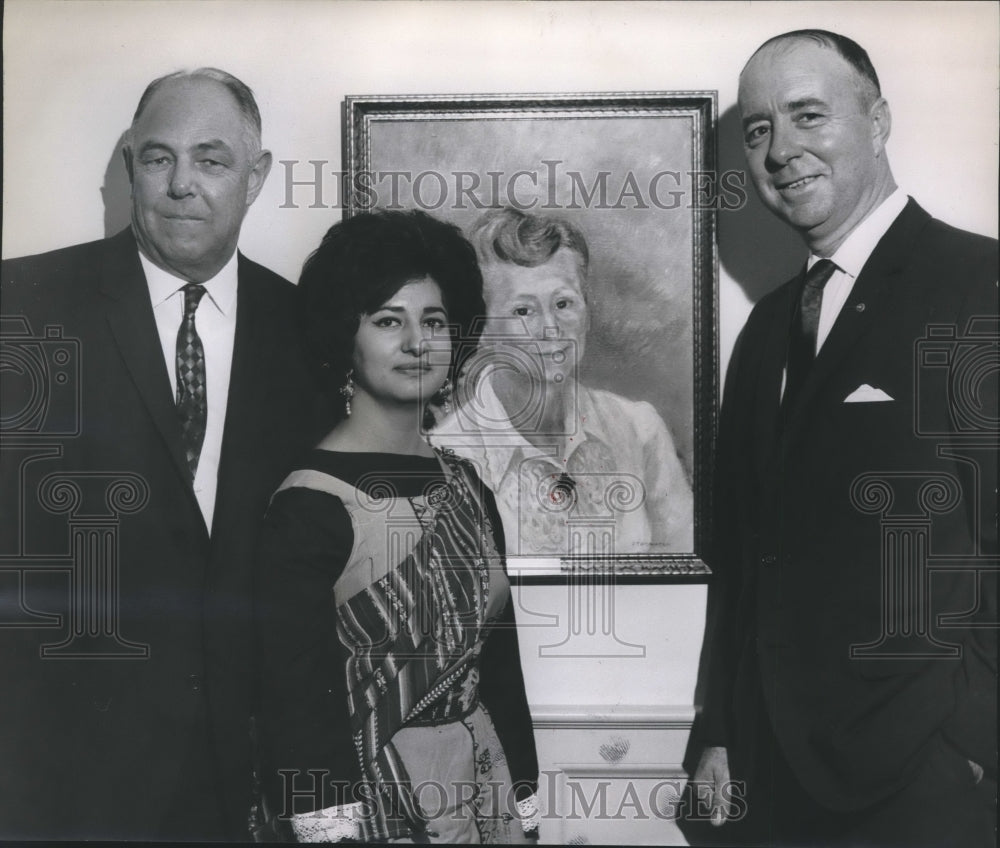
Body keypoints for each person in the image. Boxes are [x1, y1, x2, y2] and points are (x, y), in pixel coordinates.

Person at [690, 30, 998, 846]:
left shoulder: (976, 287)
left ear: (878, 121)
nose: (781, 150)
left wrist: (975, 744)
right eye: (758, 130)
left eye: (807, 115)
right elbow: (745, 552)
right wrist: (718, 730)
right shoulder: (762, 331)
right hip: (770, 771)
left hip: (923, 779)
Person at [0, 69, 324, 840]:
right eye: (158, 158)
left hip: (247, 778)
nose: (182, 185)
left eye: (211, 160)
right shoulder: (24, 306)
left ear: (257, 176)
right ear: (128, 165)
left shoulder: (306, 332)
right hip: (61, 779)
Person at [255, 209, 540, 843]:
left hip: (480, 791)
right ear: (343, 341)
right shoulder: (308, 504)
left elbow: (500, 668)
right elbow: (295, 703)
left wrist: (524, 799)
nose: (418, 342)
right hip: (372, 805)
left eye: (433, 321)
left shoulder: (468, 485)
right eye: (389, 321)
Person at [431, 207, 693, 557]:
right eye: (523, 311)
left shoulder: (639, 429)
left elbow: (683, 566)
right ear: (480, 330)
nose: (551, 329)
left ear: (586, 309)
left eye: (564, 303)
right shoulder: (444, 458)